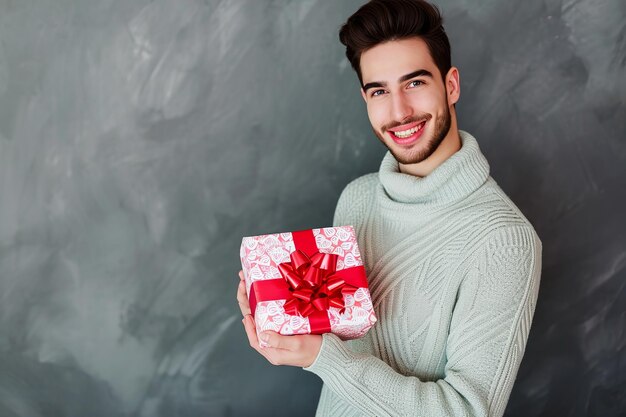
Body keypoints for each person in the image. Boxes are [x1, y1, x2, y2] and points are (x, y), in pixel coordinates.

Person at [236, 0, 542, 415]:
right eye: (379, 91)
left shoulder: (505, 240)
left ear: (451, 85)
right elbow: (347, 344)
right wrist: (279, 317)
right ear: (365, 98)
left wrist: (321, 357)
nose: (399, 112)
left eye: (415, 83)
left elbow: (467, 411)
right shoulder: (357, 199)